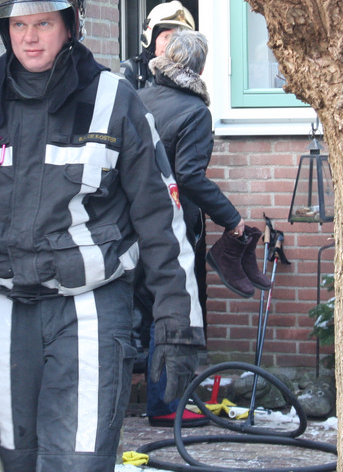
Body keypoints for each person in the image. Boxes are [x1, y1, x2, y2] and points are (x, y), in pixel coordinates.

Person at [0, 0, 205, 472]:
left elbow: (162, 224)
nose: (30, 38)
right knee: (21, 462)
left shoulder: (116, 104)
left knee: (77, 463)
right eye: (18, 24)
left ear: (70, 24)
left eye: (43, 23)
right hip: (2, 312)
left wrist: (178, 327)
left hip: (90, 309)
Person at [134, 29, 271, 426]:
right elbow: (190, 177)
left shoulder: (138, 99)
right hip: (169, 225)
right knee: (172, 311)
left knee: (137, 309)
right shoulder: (195, 111)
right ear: (200, 67)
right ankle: (165, 406)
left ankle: (139, 398)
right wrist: (232, 219)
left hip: (128, 223)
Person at [119, 0, 196, 89]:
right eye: (166, 37)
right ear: (152, 39)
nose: (171, 45)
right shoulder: (129, 71)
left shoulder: (188, 77)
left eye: (176, 39)